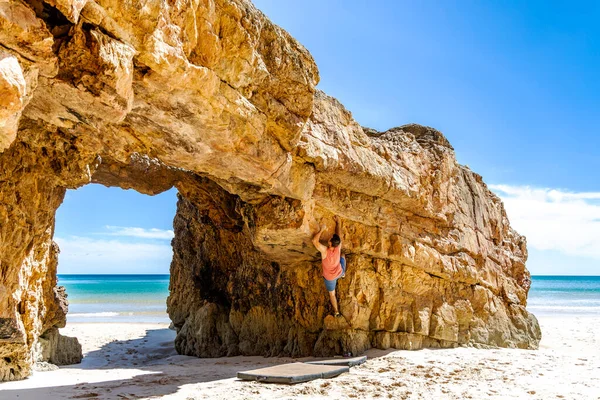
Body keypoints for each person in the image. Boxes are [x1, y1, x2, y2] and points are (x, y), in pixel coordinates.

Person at [312, 216, 347, 317]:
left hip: (330, 278)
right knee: (343, 256)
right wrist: (338, 223)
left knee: (332, 294)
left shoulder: (325, 251)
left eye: (330, 238)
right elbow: (339, 235)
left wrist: (321, 230)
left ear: (330, 243)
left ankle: (336, 311)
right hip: (339, 272)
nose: (329, 238)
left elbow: (314, 241)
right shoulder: (338, 247)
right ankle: (343, 274)